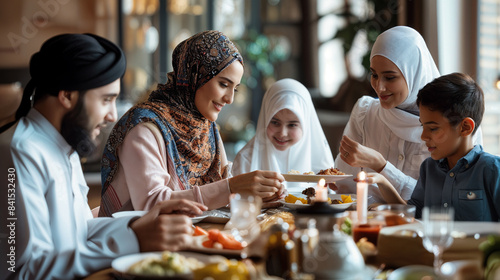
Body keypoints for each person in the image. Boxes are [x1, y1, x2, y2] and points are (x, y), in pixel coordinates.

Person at [4, 33, 207, 279]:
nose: (112, 115)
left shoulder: (62, 145)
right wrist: (133, 239)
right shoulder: (17, 152)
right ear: (67, 95)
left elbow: (80, 231)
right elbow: (21, 270)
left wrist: (143, 223)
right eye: (106, 100)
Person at [99, 30, 284, 217]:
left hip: (193, 238)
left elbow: (221, 191)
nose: (230, 99)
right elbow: (152, 205)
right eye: (223, 84)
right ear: (195, 75)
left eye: (235, 88)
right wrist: (231, 188)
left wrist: (255, 195)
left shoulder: (206, 127)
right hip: (135, 243)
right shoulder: (144, 128)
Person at [334, 26, 482, 204]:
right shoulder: (365, 112)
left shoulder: (454, 123)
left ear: (415, 72)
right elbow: (342, 184)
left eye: (390, 77)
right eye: (374, 75)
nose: (379, 87)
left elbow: (444, 200)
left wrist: (382, 167)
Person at [368, 73, 500, 221]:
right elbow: (415, 214)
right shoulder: (429, 168)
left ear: (465, 127)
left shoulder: (492, 169)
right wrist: (383, 182)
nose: (423, 136)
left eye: (433, 128)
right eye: (422, 126)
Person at [231, 78, 334, 193]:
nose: (282, 133)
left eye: (292, 125)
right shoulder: (246, 160)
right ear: (265, 119)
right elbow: (235, 201)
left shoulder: (321, 163)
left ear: (306, 124)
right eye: (275, 122)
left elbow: (332, 197)